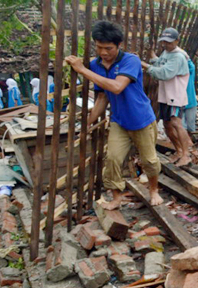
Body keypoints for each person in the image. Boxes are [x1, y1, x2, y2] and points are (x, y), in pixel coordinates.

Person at [65, 20, 163, 209]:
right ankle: (117, 197)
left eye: (108, 48)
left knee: (149, 161)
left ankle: (154, 190)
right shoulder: (96, 65)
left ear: (119, 45)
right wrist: (86, 124)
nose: (103, 52)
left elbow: (117, 87)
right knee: (112, 159)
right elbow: (102, 98)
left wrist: (82, 70)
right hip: (119, 121)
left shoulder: (131, 61)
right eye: (99, 47)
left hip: (141, 119)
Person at [141, 27, 192, 167]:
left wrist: (144, 65)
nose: (166, 44)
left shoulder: (178, 56)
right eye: (163, 42)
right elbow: (161, 63)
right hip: (165, 96)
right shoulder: (166, 53)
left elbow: (164, 73)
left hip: (176, 95)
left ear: (177, 41)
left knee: (176, 122)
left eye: (169, 42)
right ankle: (179, 151)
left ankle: (186, 155)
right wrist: (152, 57)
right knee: (167, 125)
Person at [182, 57, 198, 144]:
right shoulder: (175, 75)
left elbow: (191, 66)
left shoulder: (189, 73)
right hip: (180, 103)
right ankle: (187, 144)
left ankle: (188, 142)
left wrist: (187, 58)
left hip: (191, 103)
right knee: (182, 126)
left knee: (190, 127)